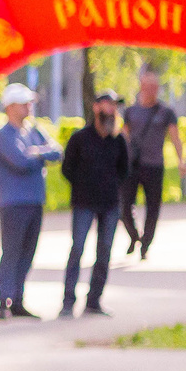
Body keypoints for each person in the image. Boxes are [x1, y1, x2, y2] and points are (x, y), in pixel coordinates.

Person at [0, 82, 60, 320]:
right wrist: (40, 154)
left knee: (28, 252)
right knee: (11, 252)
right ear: (10, 107)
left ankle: (18, 300)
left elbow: (57, 151)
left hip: (34, 200)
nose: (29, 107)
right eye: (24, 103)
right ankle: (3, 301)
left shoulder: (33, 130)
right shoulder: (1, 135)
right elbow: (19, 161)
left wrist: (35, 153)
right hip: (12, 203)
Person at [58, 89, 128, 318]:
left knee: (105, 251)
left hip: (109, 204)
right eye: (108, 104)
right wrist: (83, 185)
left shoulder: (118, 141)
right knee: (77, 248)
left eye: (114, 106)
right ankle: (68, 301)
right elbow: (67, 168)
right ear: (96, 107)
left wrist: (110, 185)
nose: (111, 109)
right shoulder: (80, 138)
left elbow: (124, 171)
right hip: (84, 203)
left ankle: (94, 301)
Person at [121, 67, 184, 259]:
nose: (151, 90)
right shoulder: (131, 111)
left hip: (154, 165)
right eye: (148, 86)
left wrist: (181, 160)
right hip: (132, 165)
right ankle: (134, 236)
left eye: (154, 87)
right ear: (141, 86)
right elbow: (123, 137)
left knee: (153, 207)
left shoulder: (166, 112)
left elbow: (175, 137)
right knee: (124, 206)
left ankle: (145, 243)